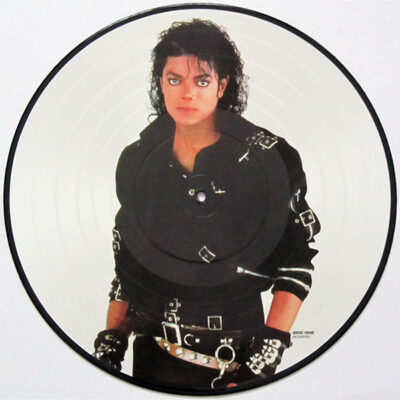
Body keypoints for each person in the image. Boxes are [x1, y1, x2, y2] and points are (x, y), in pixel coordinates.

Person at [93, 19, 320, 392]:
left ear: (222, 85)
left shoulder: (270, 159)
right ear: (160, 83)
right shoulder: (137, 161)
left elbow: (296, 262)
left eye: (201, 80)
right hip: (150, 358)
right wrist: (112, 340)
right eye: (174, 79)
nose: (187, 93)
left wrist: (266, 355)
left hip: (236, 364)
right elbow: (129, 266)